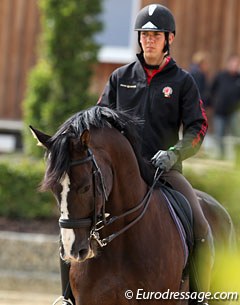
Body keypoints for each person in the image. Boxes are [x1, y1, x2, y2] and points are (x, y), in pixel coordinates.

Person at [56, 4, 214, 305]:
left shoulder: (182, 82)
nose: (149, 40)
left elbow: (198, 127)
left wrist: (173, 154)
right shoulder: (119, 77)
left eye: (155, 35)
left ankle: (198, 298)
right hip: (118, 171)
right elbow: (97, 119)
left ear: (169, 38)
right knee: (73, 219)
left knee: (200, 225)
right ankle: (67, 297)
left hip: (164, 171)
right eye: (144, 34)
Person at [209, 54, 240, 159]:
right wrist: (213, 103)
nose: (235, 65)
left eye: (237, 64)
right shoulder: (220, 76)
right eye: (233, 63)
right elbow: (211, 90)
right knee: (219, 135)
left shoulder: (238, 78)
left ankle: (237, 157)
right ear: (228, 63)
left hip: (234, 112)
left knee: (237, 136)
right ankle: (220, 156)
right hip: (220, 111)